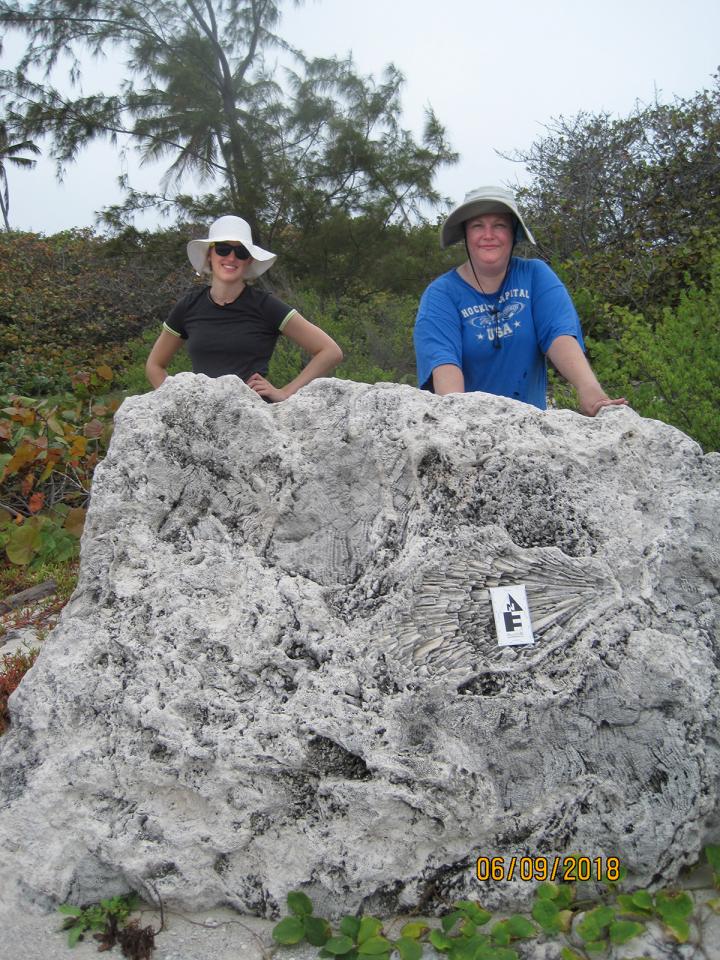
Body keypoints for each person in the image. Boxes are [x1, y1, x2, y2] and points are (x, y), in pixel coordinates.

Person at [413, 186, 627, 416]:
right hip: (472, 427)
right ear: (466, 234)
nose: (488, 235)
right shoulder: (441, 294)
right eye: (477, 226)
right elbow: (445, 366)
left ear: (513, 233)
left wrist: (590, 390)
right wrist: (462, 421)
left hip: (530, 429)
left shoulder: (535, 275)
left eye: (499, 225)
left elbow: (560, 336)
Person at [146, 215, 343, 399]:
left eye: (240, 252)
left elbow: (330, 351)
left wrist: (285, 392)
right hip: (203, 421)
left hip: (251, 420)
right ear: (209, 255)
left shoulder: (266, 306)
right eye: (223, 249)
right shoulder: (189, 306)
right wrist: (175, 402)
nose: (231, 258)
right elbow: (154, 365)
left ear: (248, 260)